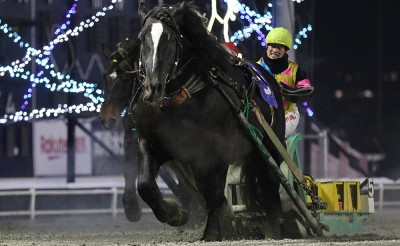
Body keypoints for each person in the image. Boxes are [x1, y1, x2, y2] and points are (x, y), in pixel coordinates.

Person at [257, 27, 312, 138]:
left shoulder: (296, 70)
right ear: (267, 45)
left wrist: (289, 92)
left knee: (274, 134)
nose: (275, 50)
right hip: (262, 115)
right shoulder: (256, 68)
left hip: (287, 114)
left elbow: (306, 92)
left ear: (285, 50)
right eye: (273, 46)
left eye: (280, 47)